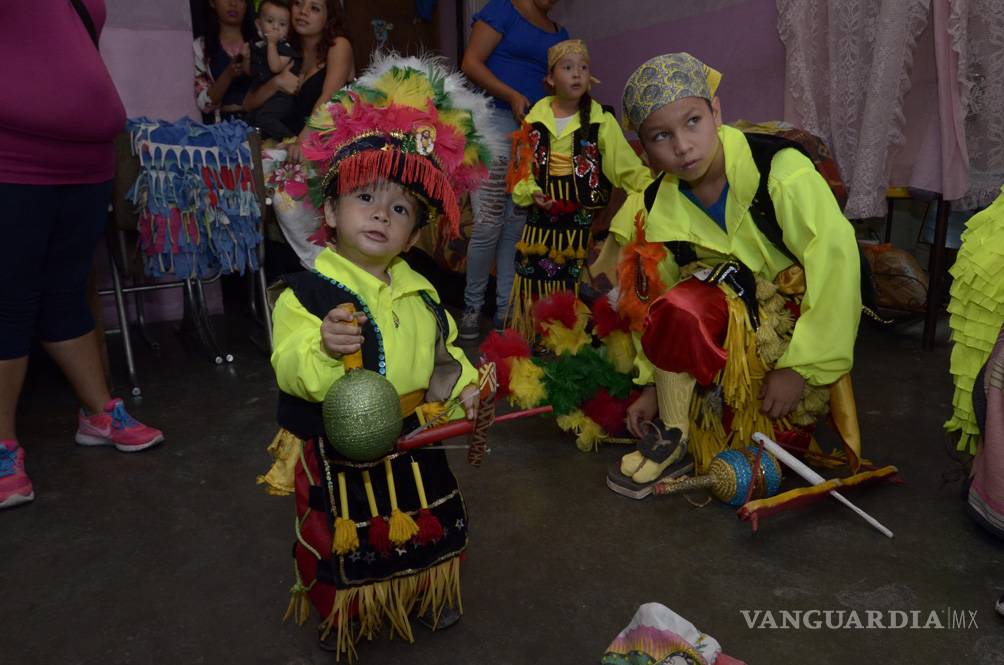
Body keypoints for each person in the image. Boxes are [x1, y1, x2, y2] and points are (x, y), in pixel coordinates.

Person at [258, 53, 499, 658]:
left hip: (418, 440)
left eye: (399, 209)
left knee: (429, 521)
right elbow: (288, 365)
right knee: (348, 539)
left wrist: (468, 388)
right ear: (331, 213)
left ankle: (426, 590)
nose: (380, 214)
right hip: (341, 451)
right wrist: (321, 345)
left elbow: (446, 359)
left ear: (414, 234)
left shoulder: (423, 292)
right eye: (364, 197)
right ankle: (346, 613)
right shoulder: (304, 293)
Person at [606, 53, 862, 493]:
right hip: (721, 328)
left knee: (776, 449)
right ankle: (676, 434)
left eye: (692, 122)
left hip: (791, 335)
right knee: (680, 300)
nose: (683, 146)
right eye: (661, 136)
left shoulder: (780, 174)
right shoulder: (653, 206)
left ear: (717, 113)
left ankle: (728, 412)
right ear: (644, 152)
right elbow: (651, 305)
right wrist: (654, 386)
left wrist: (801, 369)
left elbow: (837, 268)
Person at [0, 1, 164, 510]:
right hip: (15, 156)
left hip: (86, 159)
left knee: (67, 289)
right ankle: (2, 447)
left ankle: (97, 414)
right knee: (10, 298)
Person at [505, 39, 651, 338]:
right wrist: (531, 191)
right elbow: (521, 166)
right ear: (550, 78)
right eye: (568, 67)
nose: (577, 74)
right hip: (540, 220)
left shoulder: (601, 120)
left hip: (579, 220)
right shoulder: (534, 118)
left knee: (572, 280)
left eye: (583, 68)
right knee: (534, 278)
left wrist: (655, 189)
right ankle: (536, 336)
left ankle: (571, 340)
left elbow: (625, 168)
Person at [458, 0, 569, 339]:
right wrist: (511, 95)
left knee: (515, 226)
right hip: (494, 121)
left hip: (532, 135)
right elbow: (471, 63)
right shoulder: (502, 10)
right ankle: (472, 309)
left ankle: (506, 310)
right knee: (489, 222)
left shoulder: (560, 33)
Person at [244, 0, 354, 150]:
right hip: (282, 146)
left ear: (329, 17)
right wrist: (277, 82)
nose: (303, 11)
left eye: (314, 8)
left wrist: (299, 144)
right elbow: (248, 104)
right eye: (298, 3)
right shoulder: (283, 47)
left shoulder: (338, 45)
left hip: (325, 149)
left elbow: (329, 99)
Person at [244, 0, 302, 140]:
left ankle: (291, 140)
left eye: (282, 24)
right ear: (259, 24)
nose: (276, 27)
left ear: (288, 30)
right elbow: (249, 72)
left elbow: (275, 67)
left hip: (282, 97)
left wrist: (271, 44)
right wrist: (246, 57)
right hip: (263, 93)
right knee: (250, 120)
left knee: (265, 118)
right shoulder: (257, 46)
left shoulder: (284, 48)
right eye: (270, 21)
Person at [193, 0, 256, 123]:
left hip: (260, 127)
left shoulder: (261, 43)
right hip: (221, 130)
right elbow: (204, 104)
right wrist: (228, 75)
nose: (233, 3)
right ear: (212, 2)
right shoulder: (201, 47)